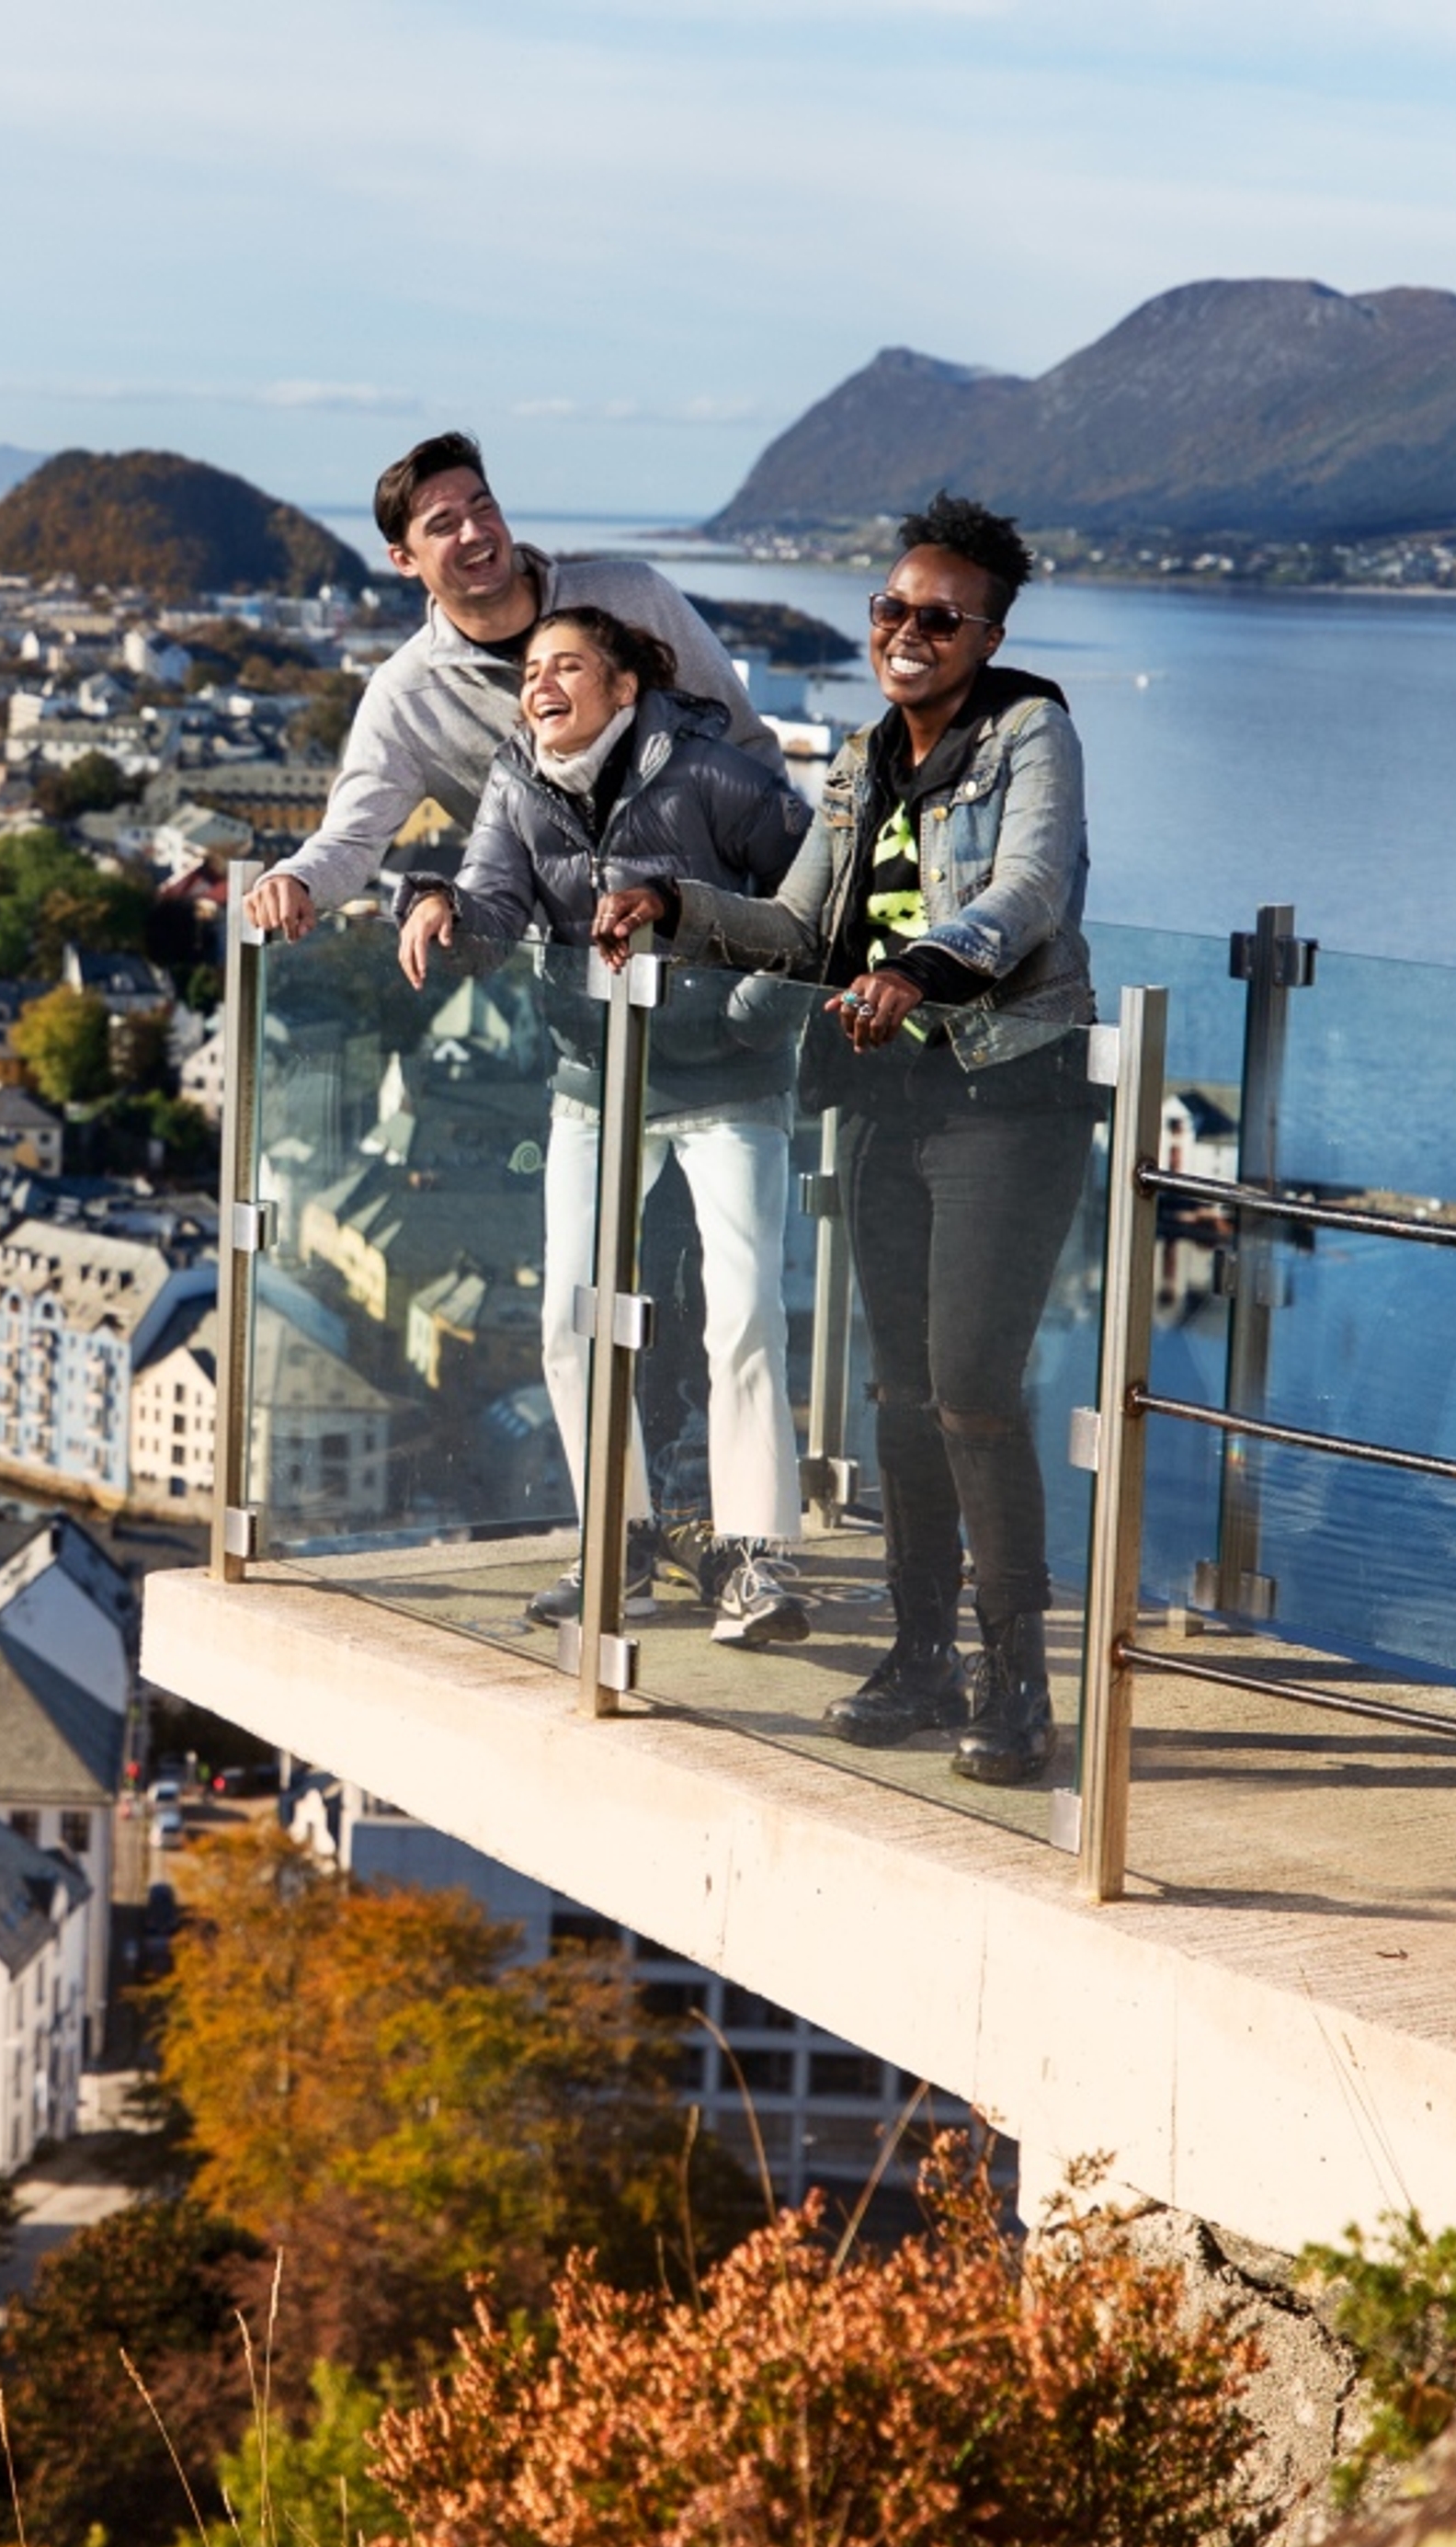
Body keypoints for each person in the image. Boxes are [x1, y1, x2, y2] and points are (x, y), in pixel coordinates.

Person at [593, 494, 1095, 1784]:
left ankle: (1015, 1685)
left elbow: (1029, 890)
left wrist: (924, 966)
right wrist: (672, 907)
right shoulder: (861, 758)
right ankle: (921, 1657)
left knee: (978, 1395)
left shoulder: (1032, 730)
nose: (907, 631)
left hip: (1007, 1103)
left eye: (940, 616)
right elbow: (802, 931)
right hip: (886, 1106)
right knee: (900, 1396)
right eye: (891, 608)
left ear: (988, 635)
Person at [398, 606, 813, 1645]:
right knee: (571, 1318)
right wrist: (439, 903)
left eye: (567, 667)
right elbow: (496, 906)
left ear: (624, 688)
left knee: (746, 1312)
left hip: (728, 1077)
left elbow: (816, 899)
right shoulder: (517, 779)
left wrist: (752, 1009)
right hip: (599, 1073)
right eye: (530, 669)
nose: (540, 684)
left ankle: (758, 1560)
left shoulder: (714, 774)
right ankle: (617, 1545)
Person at [242, 432, 774, 946]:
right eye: (444, 524)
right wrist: (296, 880)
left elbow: (750, 749)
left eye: (482, 507)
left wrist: (771, 935)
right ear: (404, 560)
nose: (474, 533)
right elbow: (354, 838)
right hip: (578, 986)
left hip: (721, 959)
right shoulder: (406, 697)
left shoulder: (636, 597)